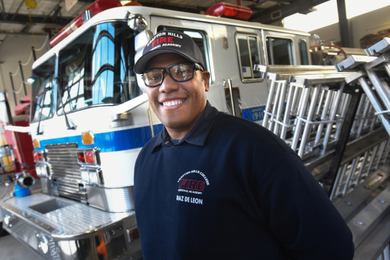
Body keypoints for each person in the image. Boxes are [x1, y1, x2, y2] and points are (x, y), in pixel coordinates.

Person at [133, 30, 354, 260]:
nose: (166, 86)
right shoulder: (146, 158)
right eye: (154, 76)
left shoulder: (256, 150)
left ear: (205, 80)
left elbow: (334, 248)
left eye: (181, 71)